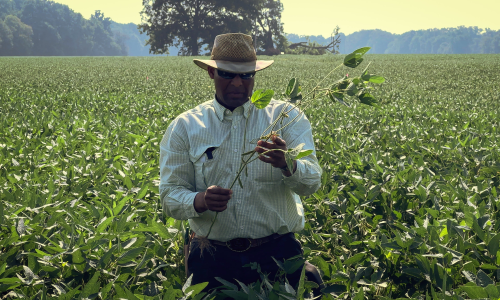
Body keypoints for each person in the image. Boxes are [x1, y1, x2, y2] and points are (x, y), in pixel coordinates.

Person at [159, 33, 323, 294]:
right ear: (211, 73)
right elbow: (168, 195)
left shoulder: (286, 118)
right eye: (227, 74)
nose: (237, 82)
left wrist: (287, 164)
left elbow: (312, 181)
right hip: (211, 256)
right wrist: (199, 201)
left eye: (246, 75)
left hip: (277, 253)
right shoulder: (185, 127)